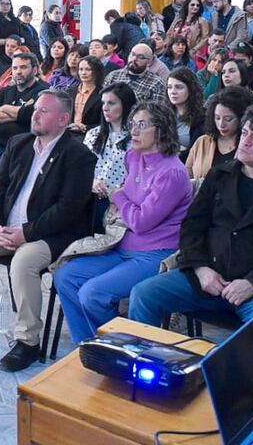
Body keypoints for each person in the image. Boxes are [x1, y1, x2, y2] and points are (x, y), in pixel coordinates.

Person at [0, 91, 96, 371]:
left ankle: (28, 342)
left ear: (63, 119)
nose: (35, 114)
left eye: (43, 111)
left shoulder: (78, 155)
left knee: (23, 263)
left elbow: (68, 209)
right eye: (35, 109)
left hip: (49, 235)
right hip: (5, 229)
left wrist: (26, 233)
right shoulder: (18, 143)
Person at [129, 102, 253, 359]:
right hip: (211, 276)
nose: (245, 141)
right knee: (143, 295)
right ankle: (145, 371)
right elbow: (192, 227)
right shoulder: (221, 176)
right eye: (245, 133)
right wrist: (200, 268)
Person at [55, 101, 193, 342]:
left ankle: (118, 349)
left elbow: (141, 221)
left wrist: (117, 195)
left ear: (160, 130)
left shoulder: (172, 172)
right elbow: (133, 205)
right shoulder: (134, 156)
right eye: (132, 124)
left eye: (142, 125)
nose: (134, 131)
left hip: (155, 253)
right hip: (122, 243)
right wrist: (124, 198)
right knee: (65, 276)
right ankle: (88, 345)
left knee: (93, 294)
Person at [84, 83, 136, 230]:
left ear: (125, 105)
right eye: (103, 103)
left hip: (120, 199)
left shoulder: (136, 138)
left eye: (111, 103)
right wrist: (92, 181)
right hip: (90, 194)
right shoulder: (93, 134)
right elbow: (81, 168)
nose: (105, 108)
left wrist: (118, 191)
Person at [0, 53, 50, 169]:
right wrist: (22, 111)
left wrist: (4, 107)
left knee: (1, 170)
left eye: (23, 67)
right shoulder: (6, 91)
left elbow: (31, 115)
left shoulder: (44, 91)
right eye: (15, 68)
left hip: (23, 146)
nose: (18, 72)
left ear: (35, 70)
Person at [186, 86, 253, 183]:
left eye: (228, 119)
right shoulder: (202, 142)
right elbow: (187, 176)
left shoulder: (248, 145)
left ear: (242, 118)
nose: (221, 124)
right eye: (217, 118)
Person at [166, 67, 206, 161]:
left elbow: (195, 152)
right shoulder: (163, 114)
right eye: (169, 87)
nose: (173, 92)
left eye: (179, 87)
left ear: (191, 89)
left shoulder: (202, 118)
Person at [68, 55, 104, 135]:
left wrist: (85, 128)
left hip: (90, 135)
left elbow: (103, 122)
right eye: (81, 69)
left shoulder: (102, 94)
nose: (83, 73)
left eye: (88, 69)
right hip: (69, 133)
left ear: (96, 71)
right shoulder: (70, 91)